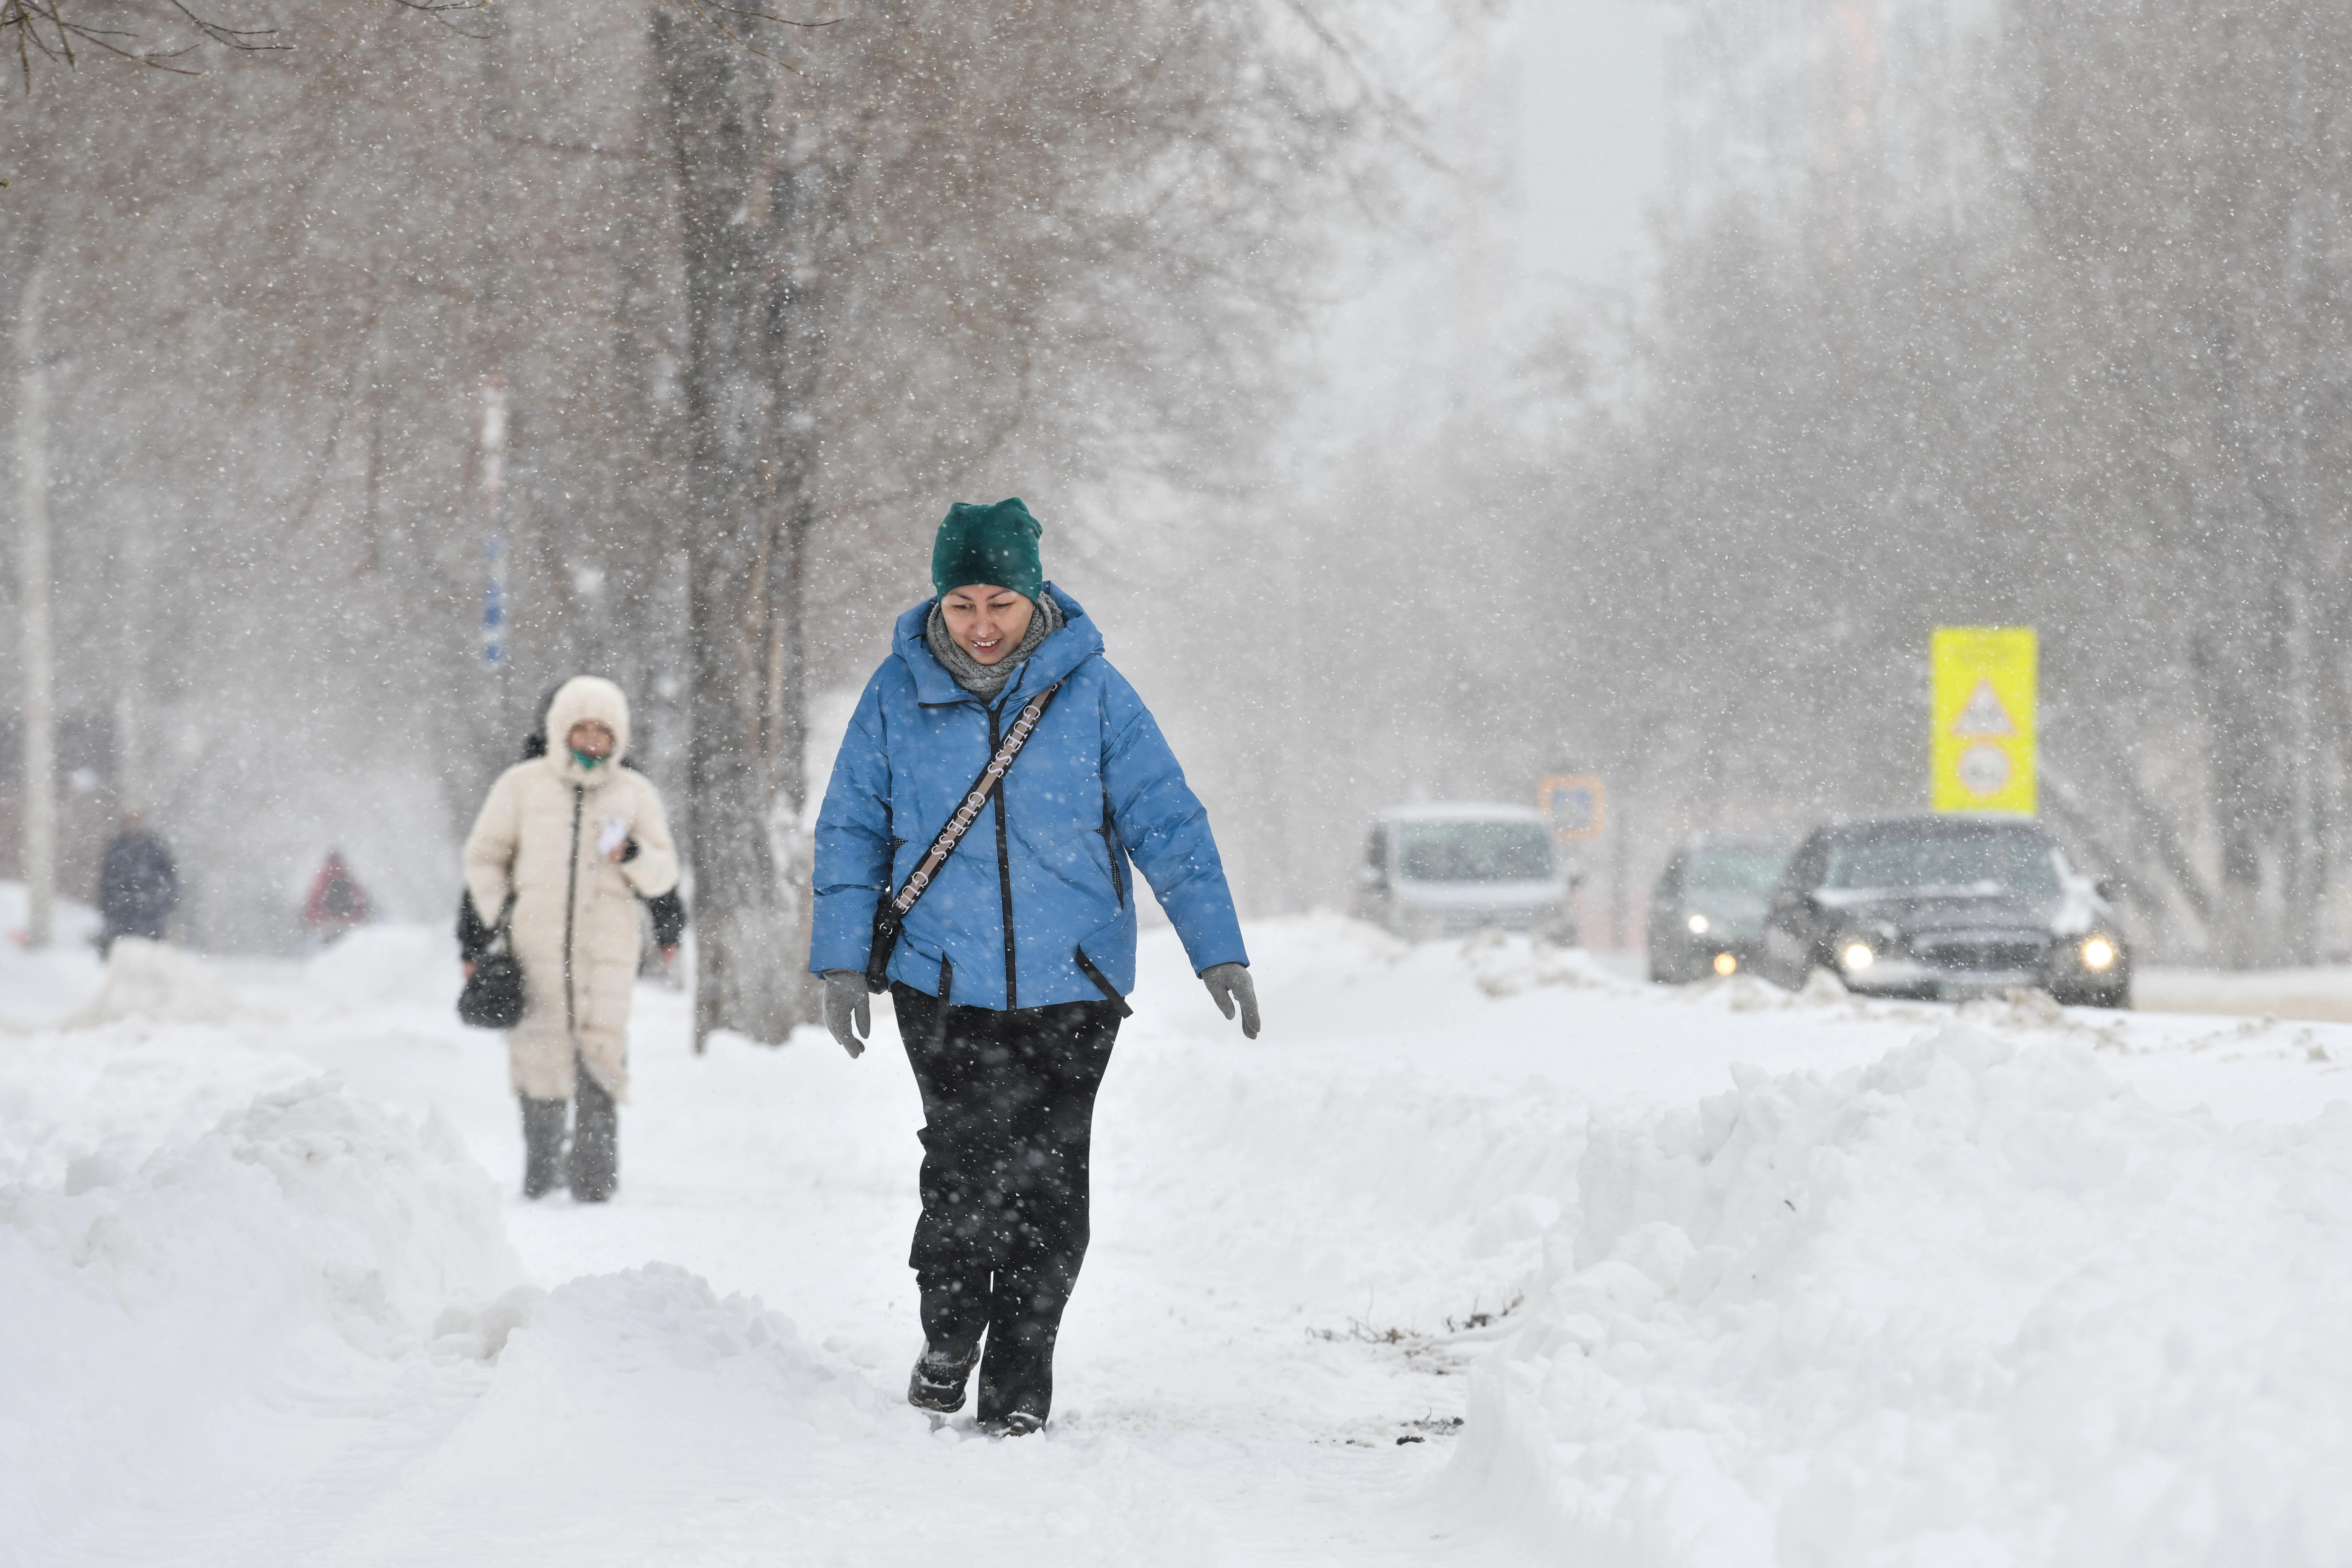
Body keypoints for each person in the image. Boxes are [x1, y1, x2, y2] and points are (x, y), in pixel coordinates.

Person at [811, 497, 1260, 1437]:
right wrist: (843, 964)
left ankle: (1020, 1381)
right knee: (965, 1168)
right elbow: (851, 830)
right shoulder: (895, 694)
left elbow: (1167, 823)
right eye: (963, 603)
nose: (981, 625)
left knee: (1052, 1189)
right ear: (939, 599)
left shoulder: (1094, 693)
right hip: (941, 980)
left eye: (1001, 604)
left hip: (1073, 983)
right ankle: (949, 1332)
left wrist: (1216, 947)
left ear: (1035, 595)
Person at [461, 676, 680, 1202]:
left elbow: (664, 873)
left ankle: (595, 1182)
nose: (591, 739)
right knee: (538, 1050)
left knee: (600, 1051)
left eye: (603, 730)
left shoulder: (634, 793)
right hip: (533, 945)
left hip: (608, 950)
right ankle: (541, 1176)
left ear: (618, 735)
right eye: (581, 728)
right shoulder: (521, 786)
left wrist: (633, 857)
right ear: (560, 729)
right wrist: (499, 915)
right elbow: (484, 857)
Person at [97, 810, 179, 952]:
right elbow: (107, 880)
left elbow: (169, 876)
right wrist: (109, 905)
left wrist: (163, 900)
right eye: (130, 819)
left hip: (150, 915)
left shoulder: (155, 846)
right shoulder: (117, 847)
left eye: (136, 819)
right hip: (122, 915)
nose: (133, 824)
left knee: (149, 952)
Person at [303, 850, 372, 944]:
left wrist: (315, 918)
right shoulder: (346, 873)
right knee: (346, 946)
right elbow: (359, 897)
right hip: (348, 921)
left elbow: (315, 897)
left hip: (327, 923)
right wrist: (358, 918)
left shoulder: (324, 875)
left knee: (329, 947)